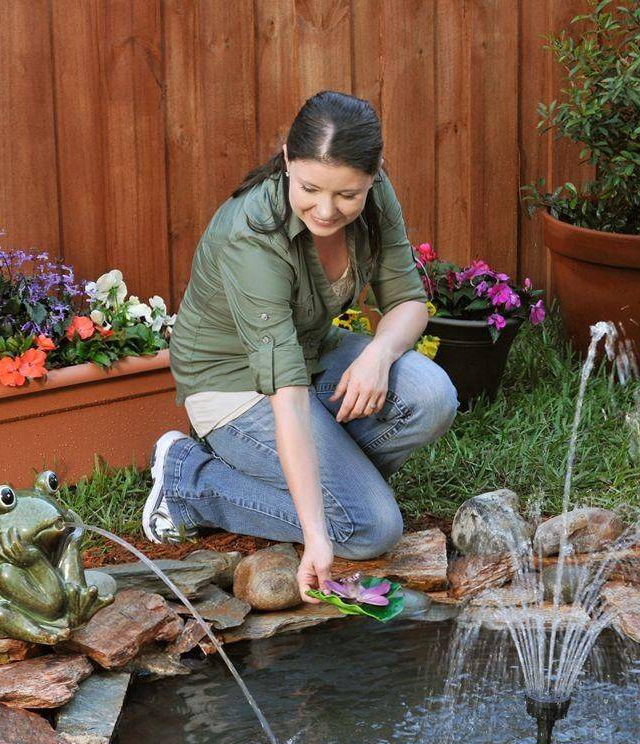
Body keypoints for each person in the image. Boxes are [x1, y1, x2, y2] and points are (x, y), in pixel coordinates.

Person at [143, 91, 457, 602]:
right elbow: (286, 397)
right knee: (369, 530)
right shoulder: (251, 233)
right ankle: (189, 483)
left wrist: (378, 355)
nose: (327, 210)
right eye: (310, 188)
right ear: (288, 157)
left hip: (312, 352)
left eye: (348, 195)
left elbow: (408, 304)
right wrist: (317, 535)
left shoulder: (375, 194)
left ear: (372, 175)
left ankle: (336, 488)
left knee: (431, 396)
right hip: (234, 386)